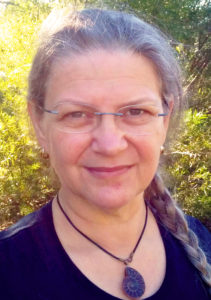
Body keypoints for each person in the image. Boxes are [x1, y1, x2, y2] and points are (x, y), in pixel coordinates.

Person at [0, 7, 210, 300]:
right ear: (40, 124)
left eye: (135, 111)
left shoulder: (203, 244)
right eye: (77, 115)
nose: (110, 144)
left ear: (164, 119)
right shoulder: (7, 272)